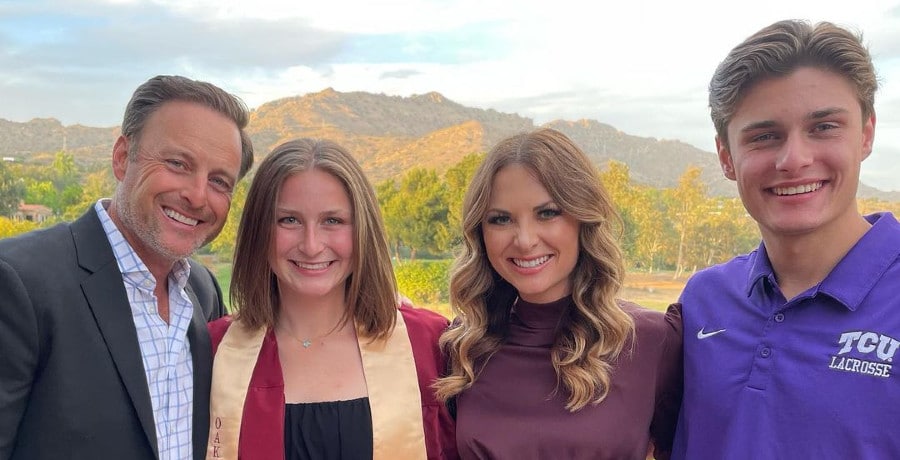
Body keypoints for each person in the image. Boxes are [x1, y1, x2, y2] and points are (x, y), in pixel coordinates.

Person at [672, 20, 900, 459]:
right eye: (764, 136)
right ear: (726, 157)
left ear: (866, 134)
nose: (794, 159)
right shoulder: (704, 300)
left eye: (824, 127)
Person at [0, 75, 254, 460]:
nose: (197, 195)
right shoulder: (18, 283)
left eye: (219, 181)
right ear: (122, 157)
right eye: (177, 163)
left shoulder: (202, 292)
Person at [434, 128, 682, 459]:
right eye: (500, 219)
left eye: (547, 213)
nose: (524, 239)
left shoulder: (651, 341)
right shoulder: (462, 347)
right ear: (481, 233)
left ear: (583, 218)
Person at [206, 138, 456, 460]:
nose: (311, 245)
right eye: (289, 220)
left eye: (333, 221)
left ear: (362, 229)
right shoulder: (213, 353)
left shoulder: (430, 345)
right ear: (259, 230)